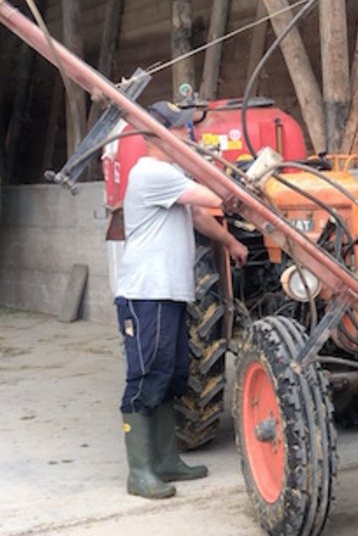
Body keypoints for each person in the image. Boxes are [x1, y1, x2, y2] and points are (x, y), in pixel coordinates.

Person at [104, 100, 247, 500]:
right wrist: (228, 179)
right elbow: (212, 197)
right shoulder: (150, 173)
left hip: (169, 291)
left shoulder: (169, 174)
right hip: (145, 293)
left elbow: (198, 218)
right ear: (158, 135)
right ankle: (140, 472)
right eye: (182, 130)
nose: (189, 136)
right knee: (146, 375)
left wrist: (231, 241)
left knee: (172, 374)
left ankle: (167, 461)